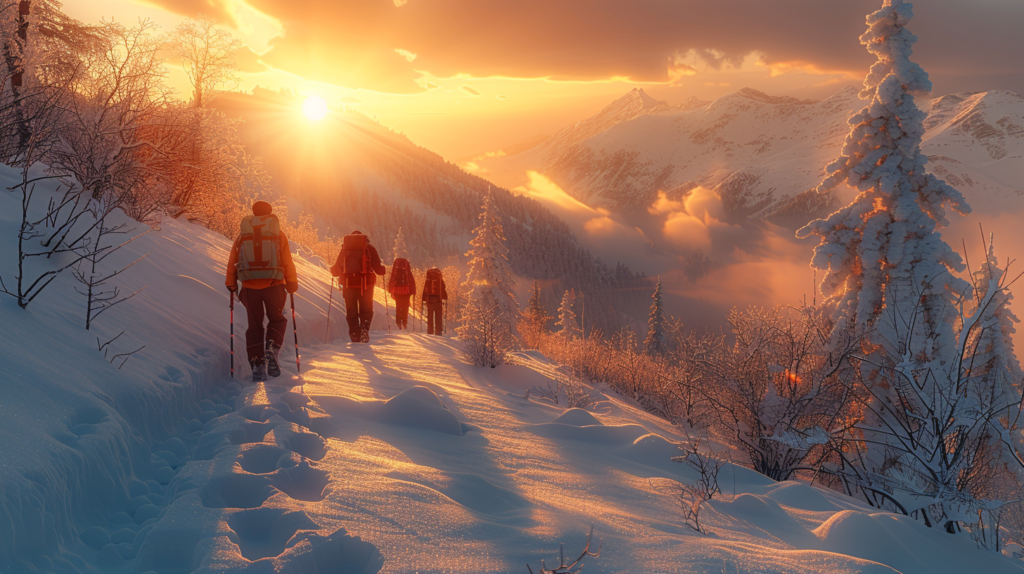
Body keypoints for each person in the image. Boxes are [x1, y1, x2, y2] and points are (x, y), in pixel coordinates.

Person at [226, 200, 298, 381]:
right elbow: (287, 260)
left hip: (250, 288)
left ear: (253, 213)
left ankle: (258, 364)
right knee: (277, 319)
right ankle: (272, 348)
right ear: (270, 213)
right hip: (274, 286)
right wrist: (291, 282)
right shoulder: (278, 234)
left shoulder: (243, 235)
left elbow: (233, 259)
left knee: (255, 326)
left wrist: (231, 283)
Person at [331, 231, 385, 342]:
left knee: (351, 311)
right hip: (366, 285)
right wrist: (383, 270)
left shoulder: (345, 250)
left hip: (349, 285)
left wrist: (332, 270)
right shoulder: (370, 249)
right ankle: (364, 328)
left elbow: (336, 270)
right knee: (366, 309)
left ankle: (354, 334)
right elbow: (378, 269)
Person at [387, 257, 416, 330]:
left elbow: (392, 277)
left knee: (398, 306)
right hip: (406, 290)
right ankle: (404, 323)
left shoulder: (396, 267)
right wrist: (413, 290)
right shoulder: (407, 268)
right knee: (405, 307)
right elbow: (410, 278)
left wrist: (390, 289)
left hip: (397, 290)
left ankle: (398, 322)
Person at [422, 267, 448, 336]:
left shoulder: (428, 279)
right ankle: (438, 331)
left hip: (430, 300)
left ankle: (430, 331)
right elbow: (443, 288)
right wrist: (445, 297)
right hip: (438, 300)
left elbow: (425, 289)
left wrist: (424, 299)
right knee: (438, 316)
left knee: (430, 317)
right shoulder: (440, 279)